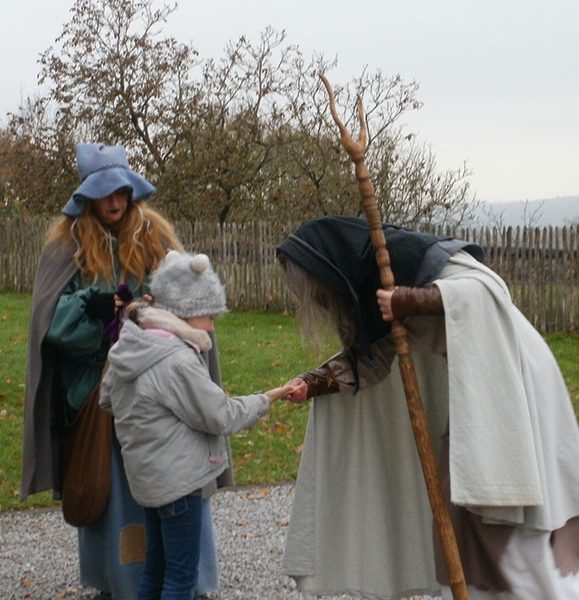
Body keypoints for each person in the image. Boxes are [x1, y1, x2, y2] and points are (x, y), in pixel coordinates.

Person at [278, 215, 579, 599]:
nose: (321, 300)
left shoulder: (414, 261)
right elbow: (372, 360)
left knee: (502, 514)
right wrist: (315, 384)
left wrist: (411, 299)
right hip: (480, 399)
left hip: (512, 384)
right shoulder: (379, 286)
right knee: (466, 518)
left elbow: (483, 292)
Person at [20, 143, 227, 599]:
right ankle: (121, 580)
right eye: (103, 193)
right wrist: (90, 308)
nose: (114, 201)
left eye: (120, 191)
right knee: (112, 485)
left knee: (175, 473)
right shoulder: (67, 247)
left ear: (131, 191)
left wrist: (152, 311)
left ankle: (187, 577)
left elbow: (189, 301)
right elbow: (48, 324)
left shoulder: (156, 237)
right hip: (100, 392)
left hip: (162, 386)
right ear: (88, 197)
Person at [99, 250, 294, 599]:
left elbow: (107, 400)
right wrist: (270, 397)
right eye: (209, 314)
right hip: (178, 485)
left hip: (148, 482)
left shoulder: (129, 345)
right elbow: (220, 416)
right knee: (181, 577)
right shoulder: (176, 361)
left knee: (155, 569)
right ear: (184, 311)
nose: (213, 325)